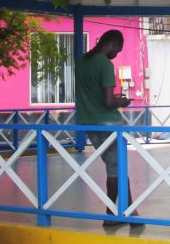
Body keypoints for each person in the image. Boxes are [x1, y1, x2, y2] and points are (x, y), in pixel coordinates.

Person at [74, 29, 140, 227]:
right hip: (109, 123)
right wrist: (123, 101)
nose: (116, 54)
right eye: (117, 50)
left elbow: (92, 94)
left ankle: (119, 213)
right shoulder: (105, 64)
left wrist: (112, 99)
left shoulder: (81, 61)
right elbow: (108, 101)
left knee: (115, 167)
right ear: (112, 44)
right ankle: (123, 214)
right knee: (117, 168)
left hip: (87, 122)